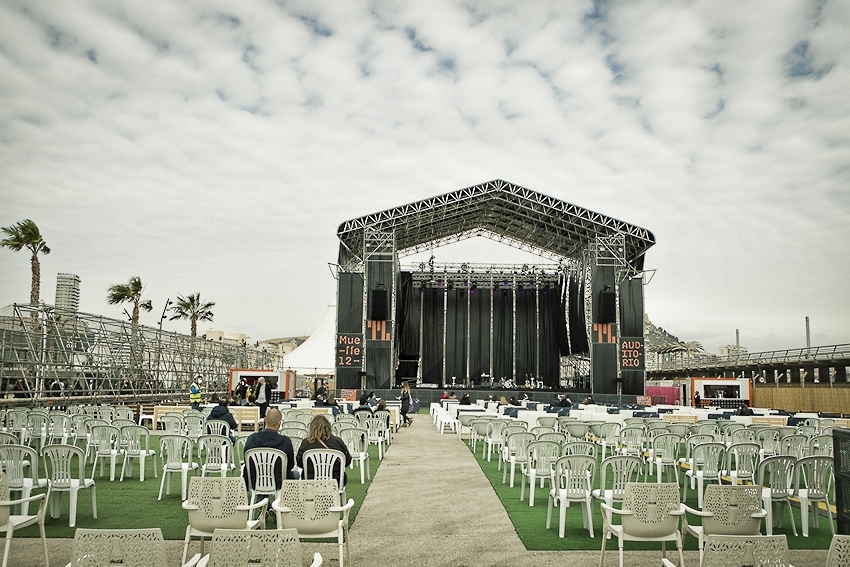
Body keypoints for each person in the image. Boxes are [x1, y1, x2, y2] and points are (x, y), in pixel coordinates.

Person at [243, 408, 299, 495]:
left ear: (265, 420)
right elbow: (290, 465)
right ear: (279, 423)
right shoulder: (285, 441)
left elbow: (247, 461)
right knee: (296, 473)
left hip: (255, 480)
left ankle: (261, 498)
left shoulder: (252, 439)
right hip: (279, 482)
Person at [296, 414, 352, 487]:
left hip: (310, 482)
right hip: (335, 482)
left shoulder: (306, 443)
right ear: (328, 427)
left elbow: (300, 463)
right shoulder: (338, 442)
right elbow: (347, 461)